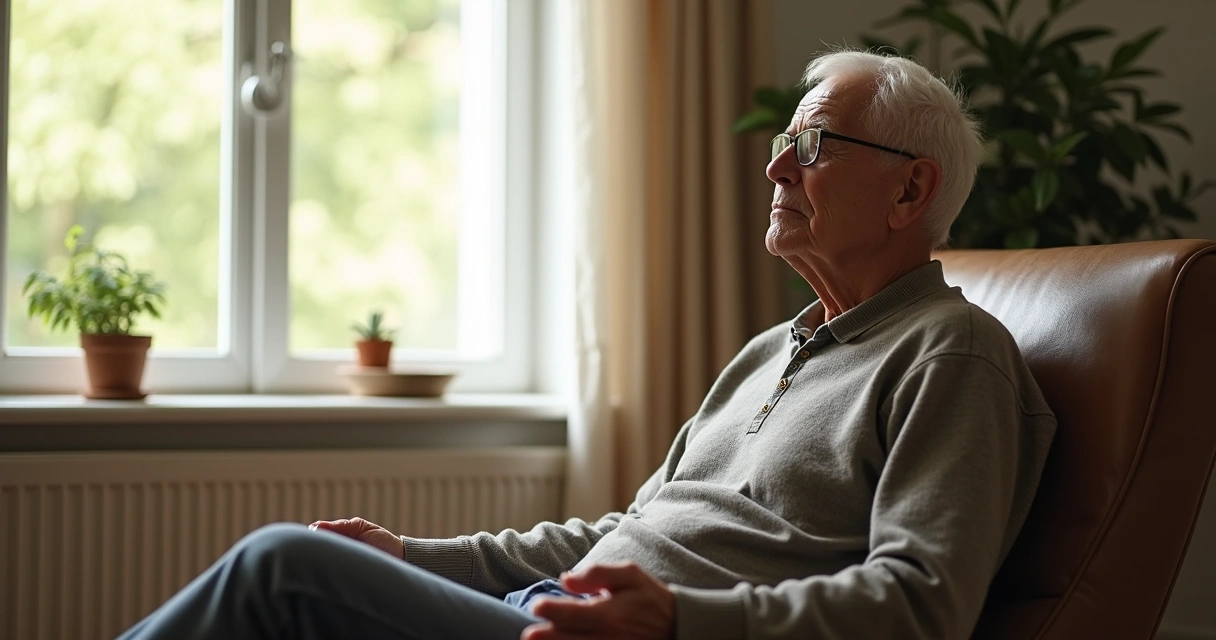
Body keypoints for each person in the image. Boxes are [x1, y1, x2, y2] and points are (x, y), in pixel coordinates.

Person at [116, 50, 1056, 640]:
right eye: (783, 141)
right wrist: (414, 554)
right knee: (305, 575)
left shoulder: (952, 354)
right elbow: (622, 534)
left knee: (281, 569)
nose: (773, 164)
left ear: (908, 191)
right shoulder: (771, 351)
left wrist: (677, 620)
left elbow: (920, 605)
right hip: (556, 617)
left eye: (813, 146)